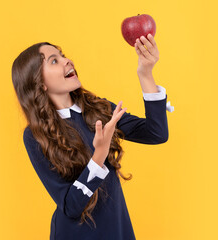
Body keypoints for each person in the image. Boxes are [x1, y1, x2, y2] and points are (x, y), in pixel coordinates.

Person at [11, 34, 174, 240]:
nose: (66, 60)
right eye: (54, 60)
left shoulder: (98, 109)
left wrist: (145, 73)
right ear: (39, 84)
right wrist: (99, 155)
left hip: (117, 229)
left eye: (62, 55)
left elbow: (156, 133)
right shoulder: (35, 136)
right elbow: (71, 206)